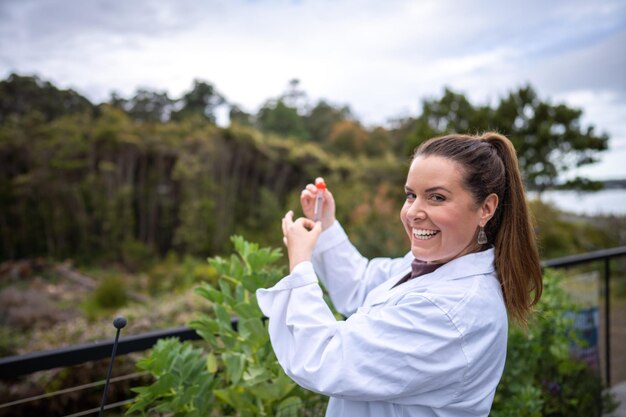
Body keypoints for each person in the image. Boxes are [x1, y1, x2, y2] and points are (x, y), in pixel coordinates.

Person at [256, 132, 543, 417]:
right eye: (411, 195)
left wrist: (300, 264)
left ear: (486, 208)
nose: (413, 212)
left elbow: (324, 359)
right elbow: (362, 286)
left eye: (437, 197)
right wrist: (326, 225)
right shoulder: (432, 265)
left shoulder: (449, 312)